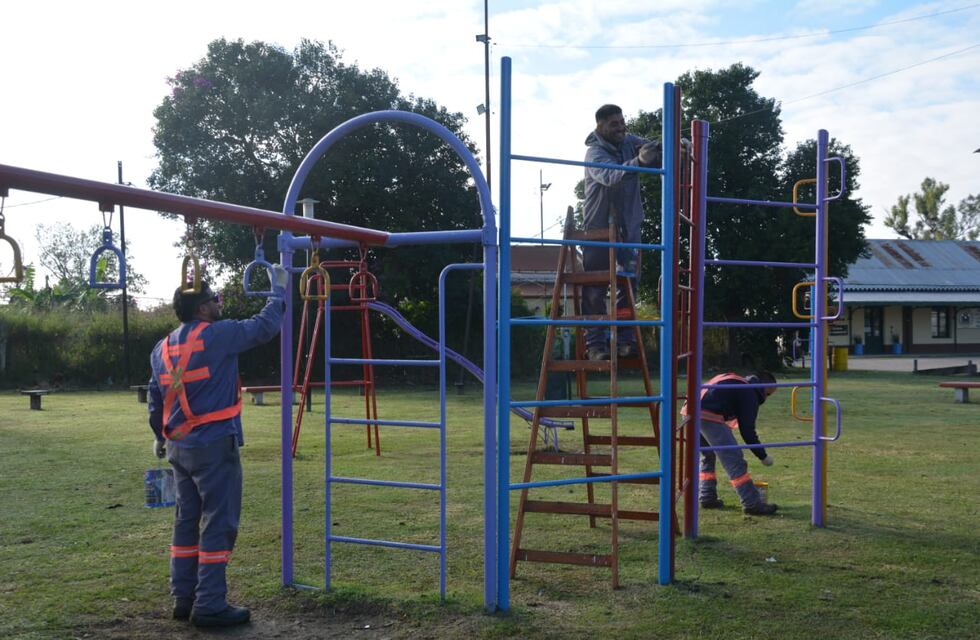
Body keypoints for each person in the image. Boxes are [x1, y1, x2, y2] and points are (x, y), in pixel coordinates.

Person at [147, 266, 287, 627]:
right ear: (202, 309)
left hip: (179, 448)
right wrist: (280, 291)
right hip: (213, 446)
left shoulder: (161, 347)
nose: (220, 302)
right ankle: (209, 604)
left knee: (185, 521)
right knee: (218, 524)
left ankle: (184, 597)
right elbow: (264, 327)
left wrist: (159, 436)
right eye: (216, 298)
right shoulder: (218, 335)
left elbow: (154, 397)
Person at [581, 104, 661, 361]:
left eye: (622, 121)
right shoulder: (594, 153)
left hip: (628, 227)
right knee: (595, 287)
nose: (621, 127)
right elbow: (610, 176)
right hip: (598, 229)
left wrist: (674, 143)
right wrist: (639, 162)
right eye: (614, 123)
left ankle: (625, 341)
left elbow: (653, 146)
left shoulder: (628, 141)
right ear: (600, 126)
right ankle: (595, 345)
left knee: (628, 285)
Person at [684, 371, 779, 516]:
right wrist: (763, 456)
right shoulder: (749, 392)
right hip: (708, 415)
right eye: (767, 394)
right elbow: (747, 430)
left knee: (707, 455)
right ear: (763, 387)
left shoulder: (738, 382)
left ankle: (707, 496)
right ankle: (752, 503)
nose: (765, 399)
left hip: (689, 412)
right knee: (734, 459)